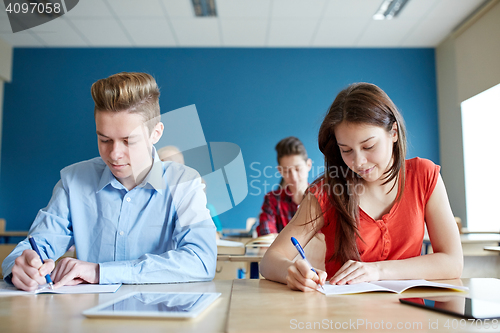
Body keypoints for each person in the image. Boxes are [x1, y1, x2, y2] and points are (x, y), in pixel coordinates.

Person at [2, 72, 217, 291]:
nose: (114, 154)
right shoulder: (73, 181)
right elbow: (33, 247)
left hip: (160, 319)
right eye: (104, 140)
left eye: (128, 141)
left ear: (156, 133)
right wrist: (20, 266)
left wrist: (100, 272)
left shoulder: (185, 183)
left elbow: (201, 261)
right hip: (86, 319)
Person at [260, 83, 463, 292]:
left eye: (368, 146)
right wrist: (291, 271)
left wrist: (378, 271)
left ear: (393, 132)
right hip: (344, 318)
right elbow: (270, 261)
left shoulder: (424, 176)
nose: (359, 162)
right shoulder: (327, 192)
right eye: (346, 150)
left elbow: (453, 263)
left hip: (410, 318)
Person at [257, 137, 312, 236]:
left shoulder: (322, 198)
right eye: (287, 171)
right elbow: (266, 236)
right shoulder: (272, 200)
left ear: (308, 165)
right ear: (280, 171)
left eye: (298, 169)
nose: (294, 177)